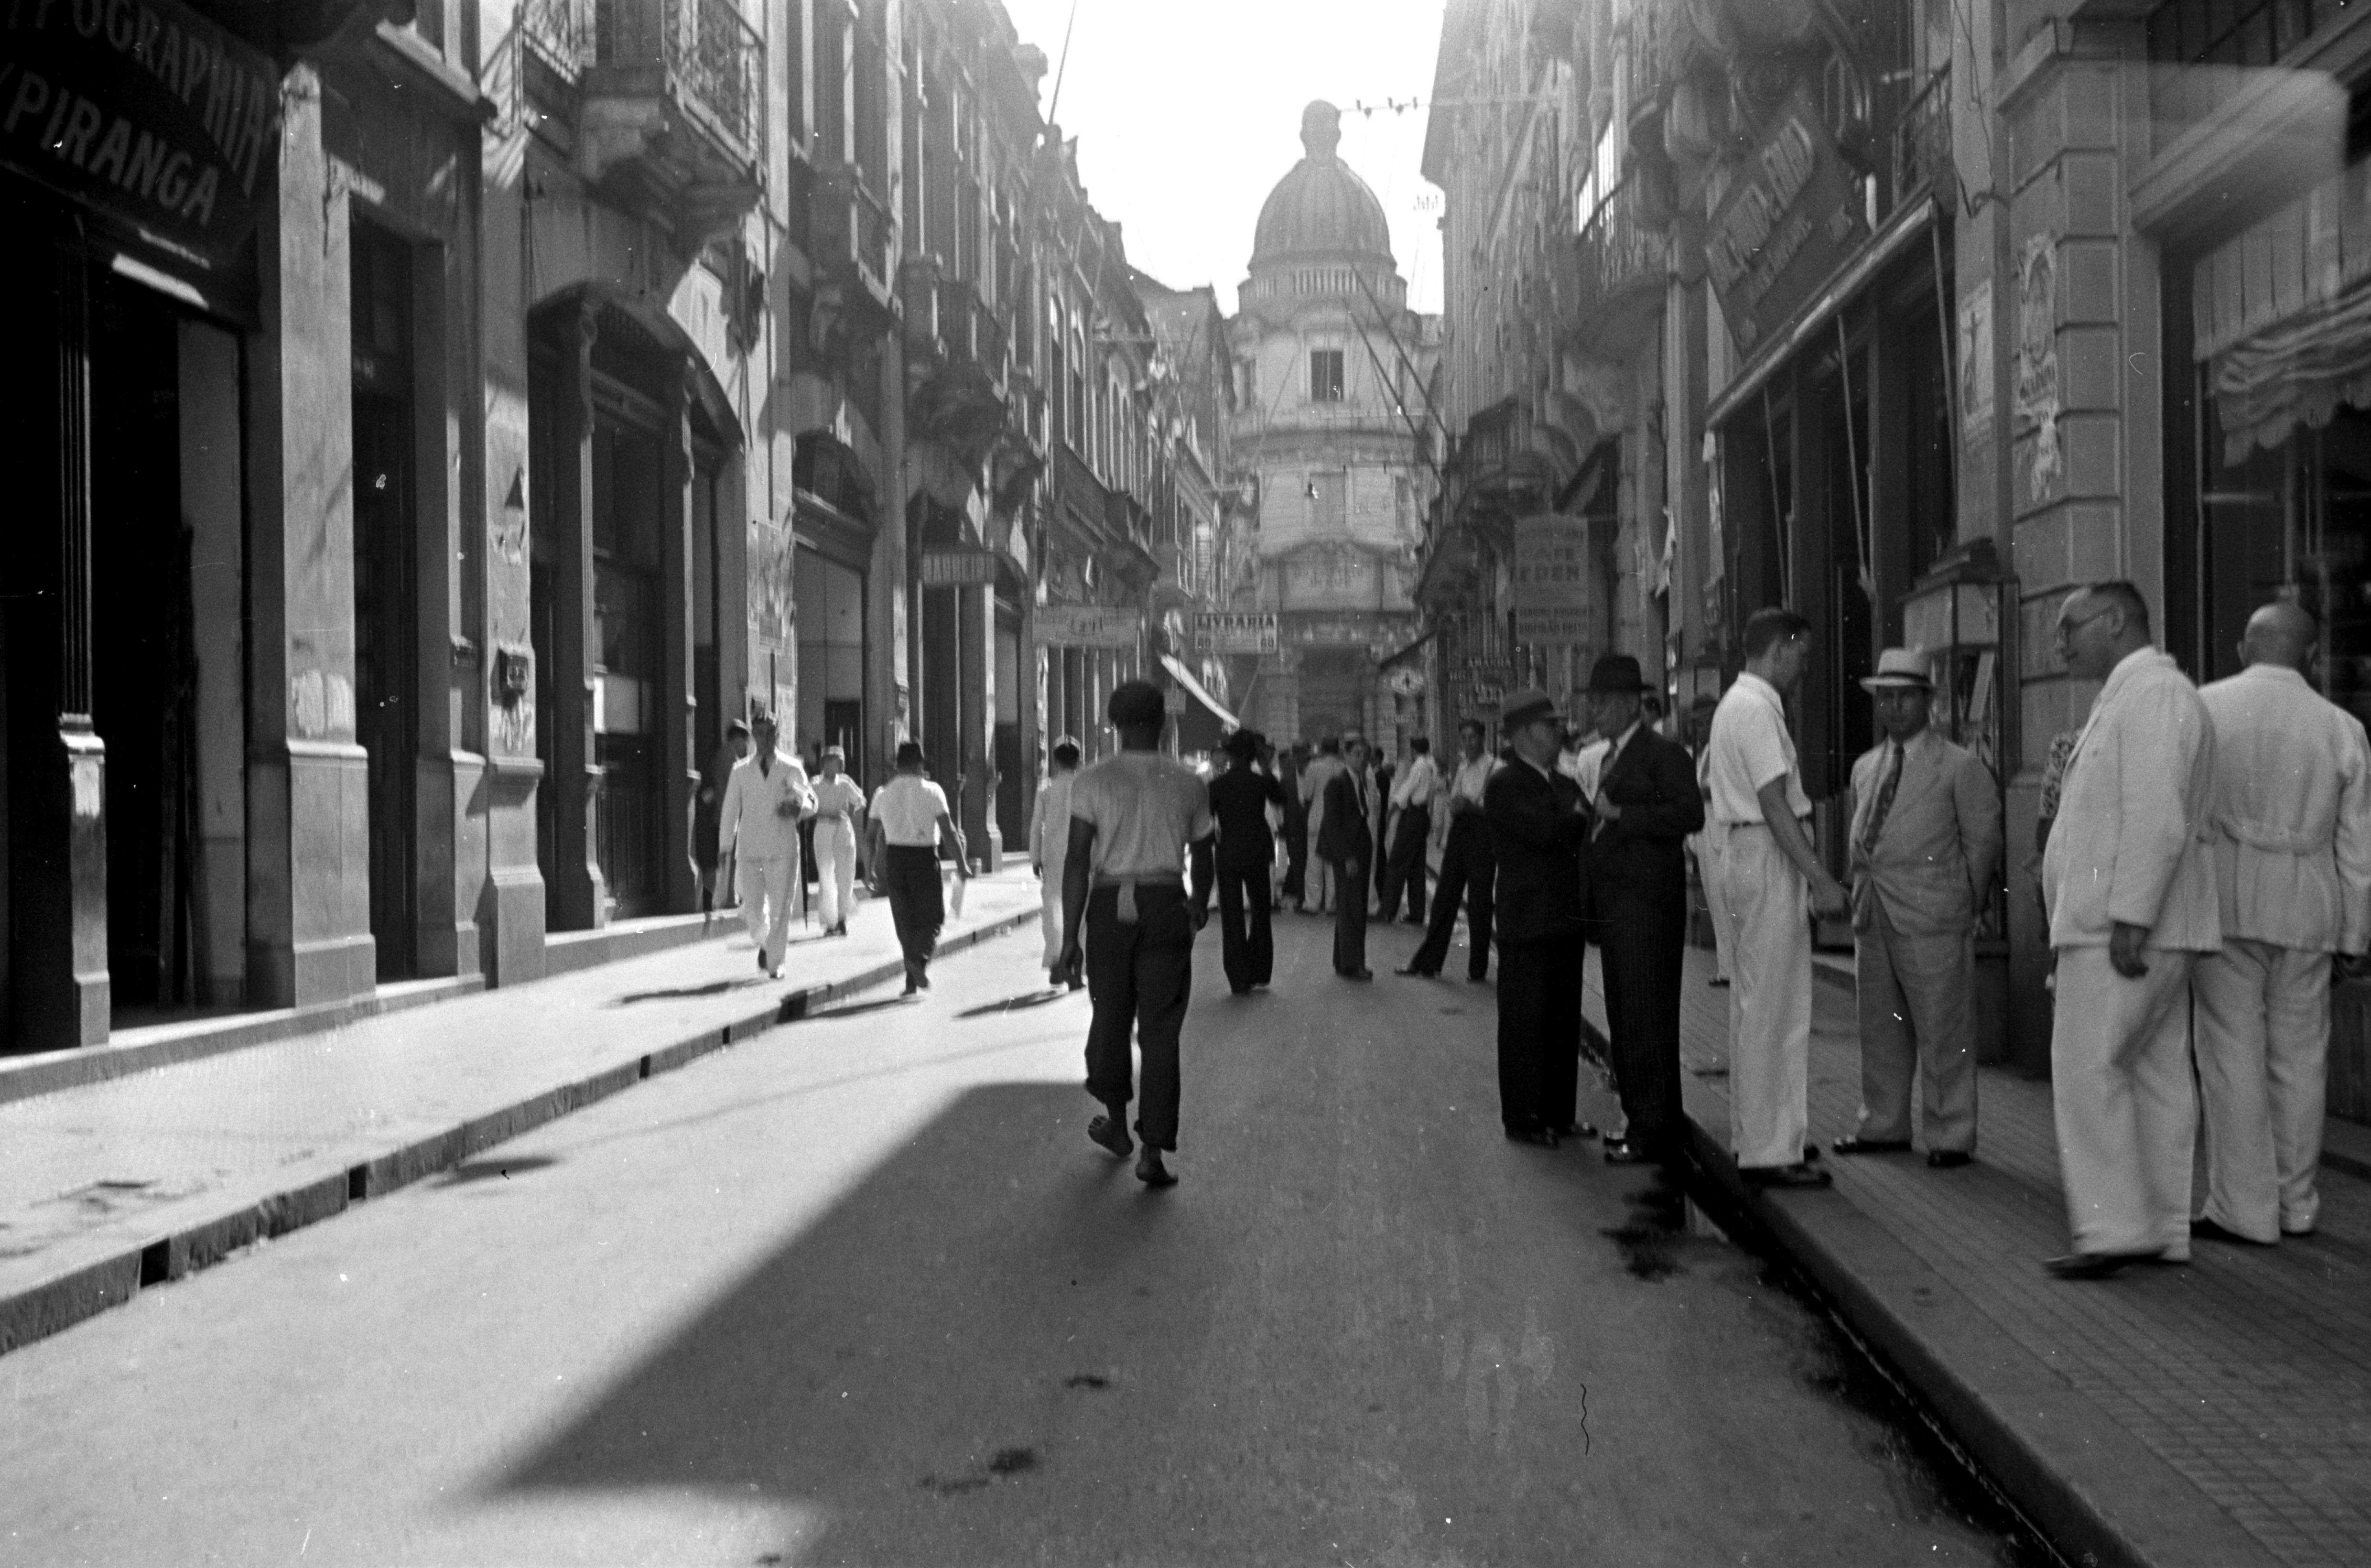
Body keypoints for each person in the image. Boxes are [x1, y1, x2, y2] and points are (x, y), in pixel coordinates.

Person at [2040, 581, 2219, 1279]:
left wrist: (2129, 920)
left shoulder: (2150, 696)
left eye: (2069, 626)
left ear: (2115, 620)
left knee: (2090, 1071)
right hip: (2141, 924)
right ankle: (2159, 1226)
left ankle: (2114, 1229)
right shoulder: (2142, 694)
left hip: (2118, 928)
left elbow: (2156, 818)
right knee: (2155, 1074)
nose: (2060, 643)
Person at [2193, 602, 2371, 1244]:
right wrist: (2355, 934)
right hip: (2308, 902)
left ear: (2244, 648)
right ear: (2314, 654)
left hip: (2226, 902)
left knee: (2230, 1052)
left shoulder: (2205, 708)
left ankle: (2242, 1206)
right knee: (2300, 1058)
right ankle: (2297, 1203)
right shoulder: (2340, 726)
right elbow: (2358, 847)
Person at [1828, 649, 2003, 1170]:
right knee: (1880, 1027)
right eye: (1885, 697)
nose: (1894, 707)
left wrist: (1963, 904)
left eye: (1904, 696)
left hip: (1933, 916)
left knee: (1942, 1028)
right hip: (1873, 914)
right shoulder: (1865, 766)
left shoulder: (1958, 765)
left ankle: (1951, 1134)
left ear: (1927, 701)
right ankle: (1883, 1124)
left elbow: (1982, 843)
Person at [1706, 606, 1848, 1189]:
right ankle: (1769, 1149)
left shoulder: (1737, 705)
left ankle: (1761, 1133)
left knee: (1755, 1006)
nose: (1805, 666)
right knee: (1775, 1010)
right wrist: (1819, 876)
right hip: (1768, 855)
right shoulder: (1755, 709)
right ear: (1779, 648)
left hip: (1749, 855)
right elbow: (1773, 802)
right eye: (1803, 654)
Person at [1058, 681, 1216, 1187]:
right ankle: (1152, 1149)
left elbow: (1077, 858)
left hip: (1109, 904)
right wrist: (1196, 905)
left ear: (1113, 723)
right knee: (1160, 1030)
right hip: (1165, 901)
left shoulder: (1092, 779)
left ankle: (1118, 1126)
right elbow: (1204, 854)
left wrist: (1069, 937)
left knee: (1110, 1014)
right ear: (1164, 722)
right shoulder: (1188, 781)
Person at [1581, 655, 1706, 1166]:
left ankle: (1654, 1129)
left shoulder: (1661, 753)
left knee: (1646, 1018)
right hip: (1618, 906)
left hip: (1646, 907)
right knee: (1625, 1016)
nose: (1598, 712)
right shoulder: (1610, 754)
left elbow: (1689, 813)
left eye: (1606, 703)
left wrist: (1622, 814)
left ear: (1633, 703)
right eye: (1594, 704)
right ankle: (1639, 1120)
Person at [1487, 689, 1593, 1146]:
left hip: (1563, 917)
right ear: (1525, 734)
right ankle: (1524, 1116)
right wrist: (1570, 819)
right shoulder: (1506, 783)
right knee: (1525, 1021)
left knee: (1562, 1020)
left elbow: (1574, 821)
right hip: (1527, 919)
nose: (1559, 734)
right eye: (1551, 727)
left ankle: (1558, 1112)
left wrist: (1571, 818)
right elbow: (1549, 831)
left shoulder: (1561, 782)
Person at [1401, 718, 1501, 982]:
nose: (1468, 743)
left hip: (1483, 838)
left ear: (1483, 738)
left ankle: (1477, 969)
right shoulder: (1463, 767)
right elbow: (1453, 797)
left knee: (1480, 904)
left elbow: (1498, 811)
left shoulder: (1496, 768)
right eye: (1464, 738)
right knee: (1445, 899)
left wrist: (1471, 808)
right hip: (1460, 836)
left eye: (1473, 738)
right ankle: (1429, 963)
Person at [866, 741, 969, 996]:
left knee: (905, 920)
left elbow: (870, 836)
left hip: (895, 859)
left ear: (897, 765)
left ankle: (911, 980)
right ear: (920, 763)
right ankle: (919, 960)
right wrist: (962, 864)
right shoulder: (933, 791)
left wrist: (868, 870)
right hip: (924, 859)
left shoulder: (882, 793)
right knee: (934, 917)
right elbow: (949, 831)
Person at [718, 712, 815, 979]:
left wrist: (797, 807)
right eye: (759, 733)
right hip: (749, 848)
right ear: (753, 736)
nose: (765, 738)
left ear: (778, 735)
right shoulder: (741, 771)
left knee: (780, 908)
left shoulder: (791, 767)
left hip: (782, 847)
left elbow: (810, 801)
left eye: (770, 733)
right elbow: (729, 811)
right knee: (752, 910)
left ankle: (776, 963)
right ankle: (765, 943)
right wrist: (725, 847)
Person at [1208, 728, 1287, 994]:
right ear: (1254, 754)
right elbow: (1280, 797)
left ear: (1229, 754)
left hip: (1228, 851)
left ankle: (1238, 978)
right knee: (1261, 912)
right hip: (1257, 850)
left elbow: (1207, 822)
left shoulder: (1216, 786)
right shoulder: (1261, 782)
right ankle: (1260, 969)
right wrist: (1265, 768)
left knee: (1232, 916)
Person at [1319, 734, 1378, 979]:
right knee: (1352, 908)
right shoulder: (1338, 783)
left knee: (1352, 906)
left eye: (1365, 755)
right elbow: (1333, 823)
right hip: (1348, 852)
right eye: (1357, 754)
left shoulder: (1361, 780)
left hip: (1360, 848)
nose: (1362, 759)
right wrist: (1347, 857)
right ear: (1346, 756)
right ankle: (1354, 964)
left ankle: (1343, 960)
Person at [1683, 697, 1732, 988]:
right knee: (1715, 903)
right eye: (1696, 723)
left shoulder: (1722, 747)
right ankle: (1725, 966)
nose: (1701, 728)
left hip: (1719, 833)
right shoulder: (1704, 751)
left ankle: (1730, 969)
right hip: (1704, 834)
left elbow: (1723, 788)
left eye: (1705, 721)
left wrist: (1695, 790)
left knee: (1725, 904)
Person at [1031, 736, 1085, 988]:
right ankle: (1074, 967)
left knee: (1053, 910)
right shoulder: (1085, 786)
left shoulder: (1046, 789)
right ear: (1078, 760)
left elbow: (1035, 828)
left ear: (1055, 762)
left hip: (1053, 857)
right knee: (1081, 913)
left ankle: (1055, 961)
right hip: (1082, 855)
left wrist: (1036, 858)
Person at [692, 719, 752, 923]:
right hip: (727, 814)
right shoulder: (730, 759)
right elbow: (733, 790)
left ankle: (728, 897)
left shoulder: (727, 756)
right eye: (745, 741)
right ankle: (728, 897)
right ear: (739, 739)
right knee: (730, 857)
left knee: (729, 858)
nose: (746, 746)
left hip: (724, 813)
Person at [1377, 736, 1440, 924]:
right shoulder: (1432, 766)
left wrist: (1390, 814)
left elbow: (1404, 793)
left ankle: (1388, 910)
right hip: (1423, 817)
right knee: (1416, 867)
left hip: (1412, 816)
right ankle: (1417, 912)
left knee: (1397, 862)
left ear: (1413, 750)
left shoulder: (1419, 767)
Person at [809, 745, 867, 938]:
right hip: (824, 827)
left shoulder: (845, 783)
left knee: (846, 873)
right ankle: (830, 921)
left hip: (843, 828)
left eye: (839, 763)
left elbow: (861, 800)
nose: (837, 767)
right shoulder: (815, 784)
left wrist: (853, 809)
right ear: (824, 764)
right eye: (833, 762)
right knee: (826, 875)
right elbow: (807, 805)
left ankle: (842, 919)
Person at [1300, 736, 1347, 915]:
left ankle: (1312, 903)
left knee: (1314, 863)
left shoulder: (1314, 767)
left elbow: (1307, 795)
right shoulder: (1344, 768)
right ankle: (1332, 905)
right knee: (1333, 864)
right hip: (1337, 821)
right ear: (1338, 750)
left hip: (1317, 819)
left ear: (1321, 749)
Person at [1279, 742, 1310, 911]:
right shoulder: (1287, 779)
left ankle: (1312, 897)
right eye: (1296, 754)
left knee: (1312, 864)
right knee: (1297, 863)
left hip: (1311, 826)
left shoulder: (1313, 773)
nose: (1299, 757)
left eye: (1302, 753)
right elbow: (1283, 806)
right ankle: (1301, 897)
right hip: (1294, 827)